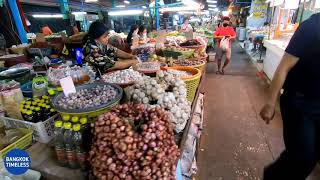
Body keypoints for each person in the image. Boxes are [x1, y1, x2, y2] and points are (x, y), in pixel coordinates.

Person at [260, 13, 320, 180]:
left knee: (312, 155)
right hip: (300, 103)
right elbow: (283, 67)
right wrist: (270, 103)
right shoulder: (311, 27)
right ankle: (272, 176)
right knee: (303, 155)